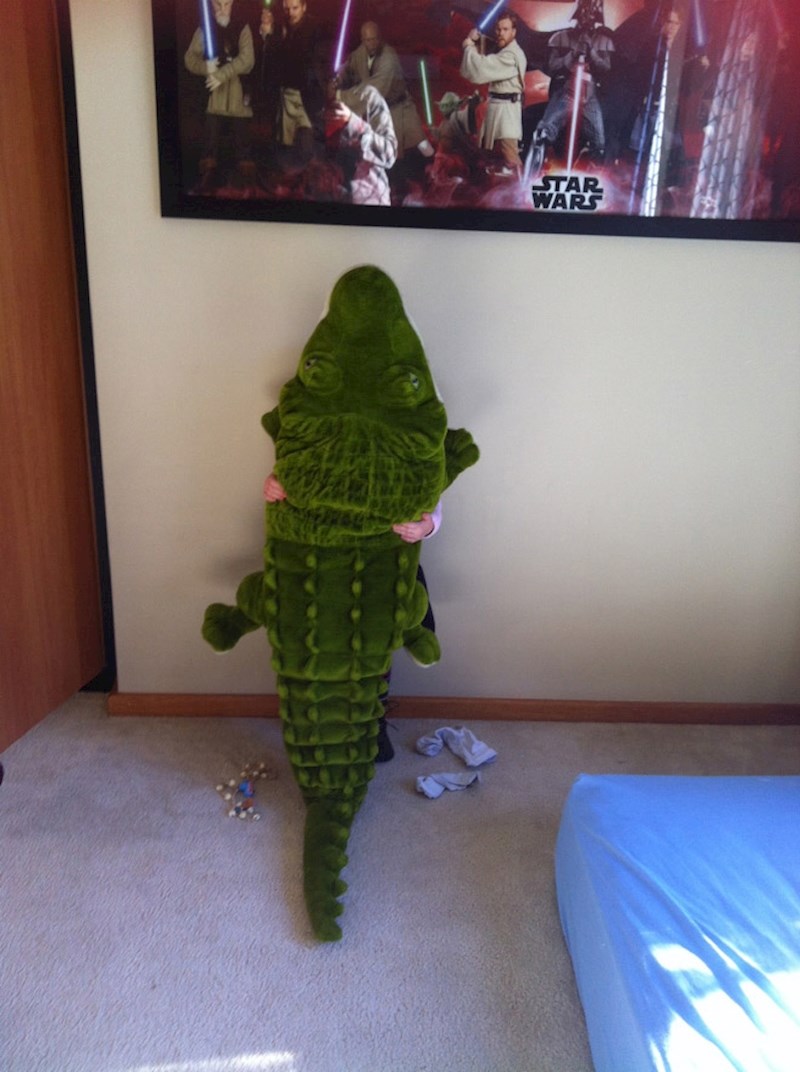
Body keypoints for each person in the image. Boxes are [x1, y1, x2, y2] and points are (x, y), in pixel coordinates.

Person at [263, 473, 439, 762]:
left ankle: (373, 721)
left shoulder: (408, 456)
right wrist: (279, 482)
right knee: (326, 643)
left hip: (383, 562)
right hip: (328, 559)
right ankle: (324, 722)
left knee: (375, 647)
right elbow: (299, 467)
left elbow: (432, 492)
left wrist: (425, 526)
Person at [532, 0, 613, 169]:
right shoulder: (561, 37)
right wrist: (572, 54)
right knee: (544, 133)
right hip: (567, 90)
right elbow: (553, 66)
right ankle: (536, 167)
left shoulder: (602, 40)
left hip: (589, 95)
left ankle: (588, 171)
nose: (587, 17)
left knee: (599, 143)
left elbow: (606, 67)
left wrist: (591, 52)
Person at [336, 22, 434, 161]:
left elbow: (375, 89)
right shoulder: (359, 54)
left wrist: (340, 96)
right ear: (363, 40)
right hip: (380, 112)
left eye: (375, 39)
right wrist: (337, 81)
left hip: (399, 108)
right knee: (382, 152)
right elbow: (347, 69)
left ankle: (437, 167)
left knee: (423, 146)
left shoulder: (389, 56)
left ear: (380, 38)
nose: (372, 44)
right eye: (368, 40)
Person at [184, 0, 255, 191]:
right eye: (217, 4)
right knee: (210, 141)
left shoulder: (243, 27)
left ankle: (246, 182)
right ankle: (207, 176)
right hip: (214, 97)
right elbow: (189, 59)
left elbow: (248, 60)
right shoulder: (205, 28)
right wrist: (205, 67)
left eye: (226, 4)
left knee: (243, 144)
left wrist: (222, 74)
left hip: (239, 94)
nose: (222, 9)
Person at [460, 12, 527, 177]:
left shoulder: (512, 55)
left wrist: (469, 45)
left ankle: (522, 189)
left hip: (507, 110)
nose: (500, 33)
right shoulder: (505, 51)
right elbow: (488, 60)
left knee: (509, 154)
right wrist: (478, 43)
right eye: (498, 29)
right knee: (489, 155)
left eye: (505, 29)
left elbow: (482, 68)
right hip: (496, 106)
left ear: (514, 32)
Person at [324, 82, 398, 205]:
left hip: (370, 201)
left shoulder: (367, 96)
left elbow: (389, 154)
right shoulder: (307, 102)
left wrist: (352, 123)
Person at [274, 0, 327, 162]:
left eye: (295, 8)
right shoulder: (281, 26)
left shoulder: (315, 28)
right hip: (286, 93)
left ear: (304, 7)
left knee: (309, 145)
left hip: (308, 94)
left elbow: (314, 61)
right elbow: (273, 59)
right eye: (287, 8)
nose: (290, 12)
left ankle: (313, 173)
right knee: (286, 145)